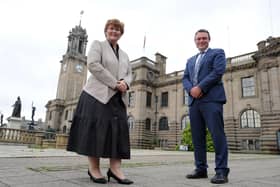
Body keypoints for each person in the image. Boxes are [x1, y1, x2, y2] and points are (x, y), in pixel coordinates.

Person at [67, 18, 133, 185]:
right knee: (96, 132)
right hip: (96, 95)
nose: (114, 31)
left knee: (118, 133)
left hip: (117, 98)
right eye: (111, 28)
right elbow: (93, 64)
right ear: (106, 31)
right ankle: (94, 169)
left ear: (121, 33)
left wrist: (126, 82)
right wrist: (115, 83)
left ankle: (115, 169)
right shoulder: (98, 45)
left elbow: (130, 73)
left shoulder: (124, 55)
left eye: (118, 29)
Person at [182, 29, 230, 184]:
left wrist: (200, 88)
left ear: (209, 39)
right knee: (197, 137)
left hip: (211, 100)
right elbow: (185, 78)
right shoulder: (190, 60)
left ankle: (221, 171)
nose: (201, 41)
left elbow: (218, 72)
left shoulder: (217, 53)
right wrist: (191, 90)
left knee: (217, 135)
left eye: (204, 38)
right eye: (198, 39)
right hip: (194, 102)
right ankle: (201, 168)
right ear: (195, 41)